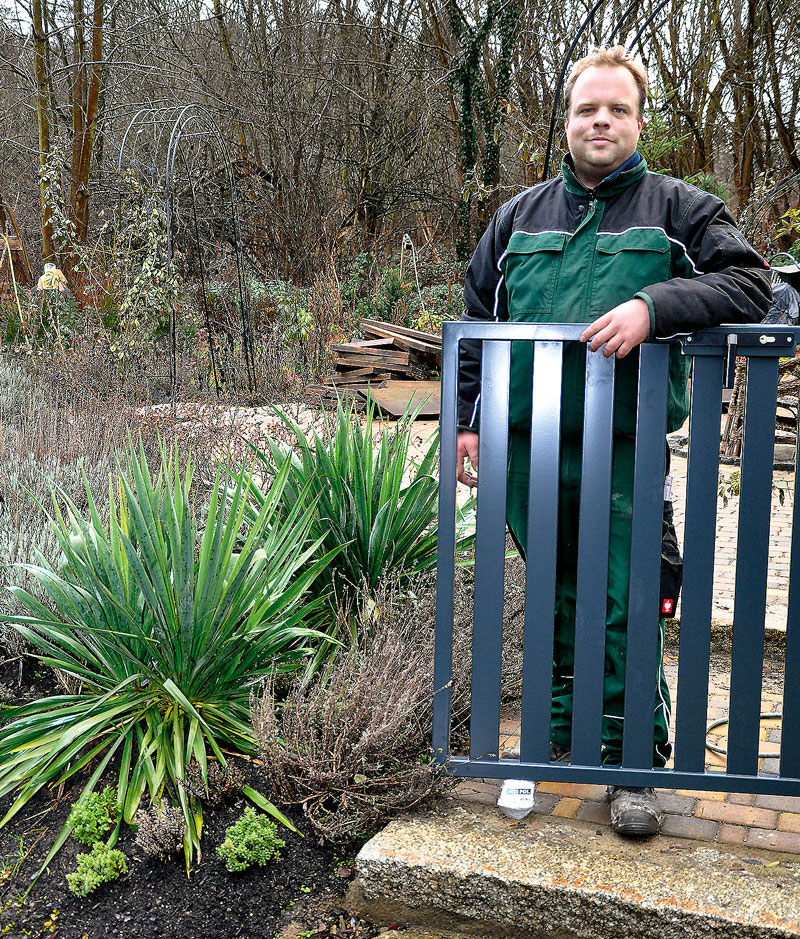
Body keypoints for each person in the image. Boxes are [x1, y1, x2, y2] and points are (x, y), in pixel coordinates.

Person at [455, 46, 771, 837]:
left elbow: (750, 281)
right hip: (528, 449)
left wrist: (653, 306)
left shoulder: (679, 209)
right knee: (556, 598)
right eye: (586, 109)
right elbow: (476, 326)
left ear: (637, 121)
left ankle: (635, 766)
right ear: (566, 122)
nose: (601, 121)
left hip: (626, 454)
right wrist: (466, 421)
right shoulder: (517, 217)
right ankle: (561, 741)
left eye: (617, 110)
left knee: (626, 605)